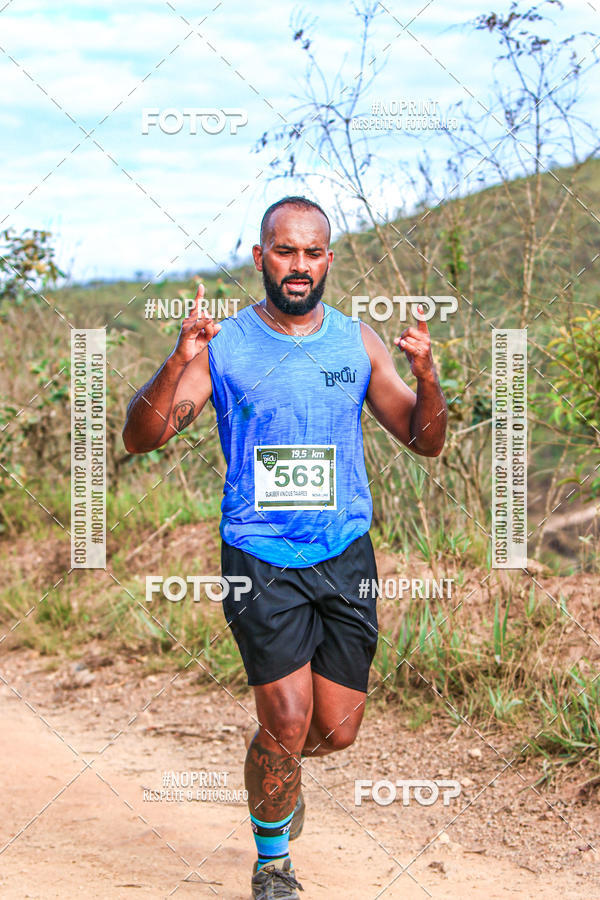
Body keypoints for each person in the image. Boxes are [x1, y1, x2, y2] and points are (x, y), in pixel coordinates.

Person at [122, 196, 447, 898]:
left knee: (333, 732)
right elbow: (140, 437)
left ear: (327, 260)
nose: (297, 265)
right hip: (259, 555)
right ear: (259, 257)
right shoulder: (227, 344)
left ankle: (279, 771)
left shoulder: (356, 342)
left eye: (310, 252)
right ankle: (273, 864)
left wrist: (426, 377)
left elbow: (423, 442)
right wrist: (179, 362)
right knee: (289, 719)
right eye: (283, 249)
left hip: (344, 554)